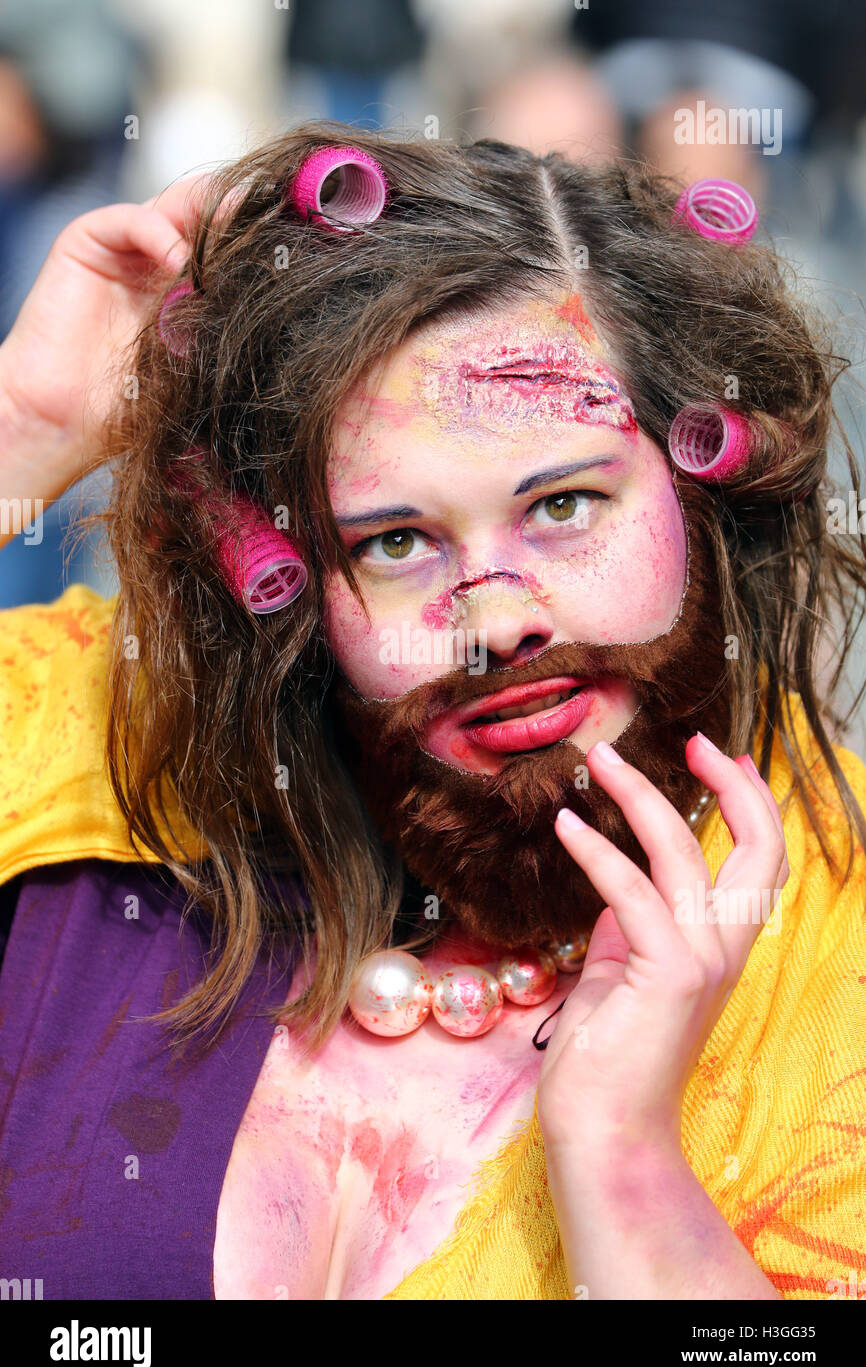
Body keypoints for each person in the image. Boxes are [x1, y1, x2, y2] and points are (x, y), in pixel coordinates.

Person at [0, 120, 865, 1301]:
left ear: (698, 484)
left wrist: (621, 1158)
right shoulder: (108, 749)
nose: (494, 622)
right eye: (396, 539)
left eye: (562, 504)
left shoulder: (837, 931)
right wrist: (22, 435)